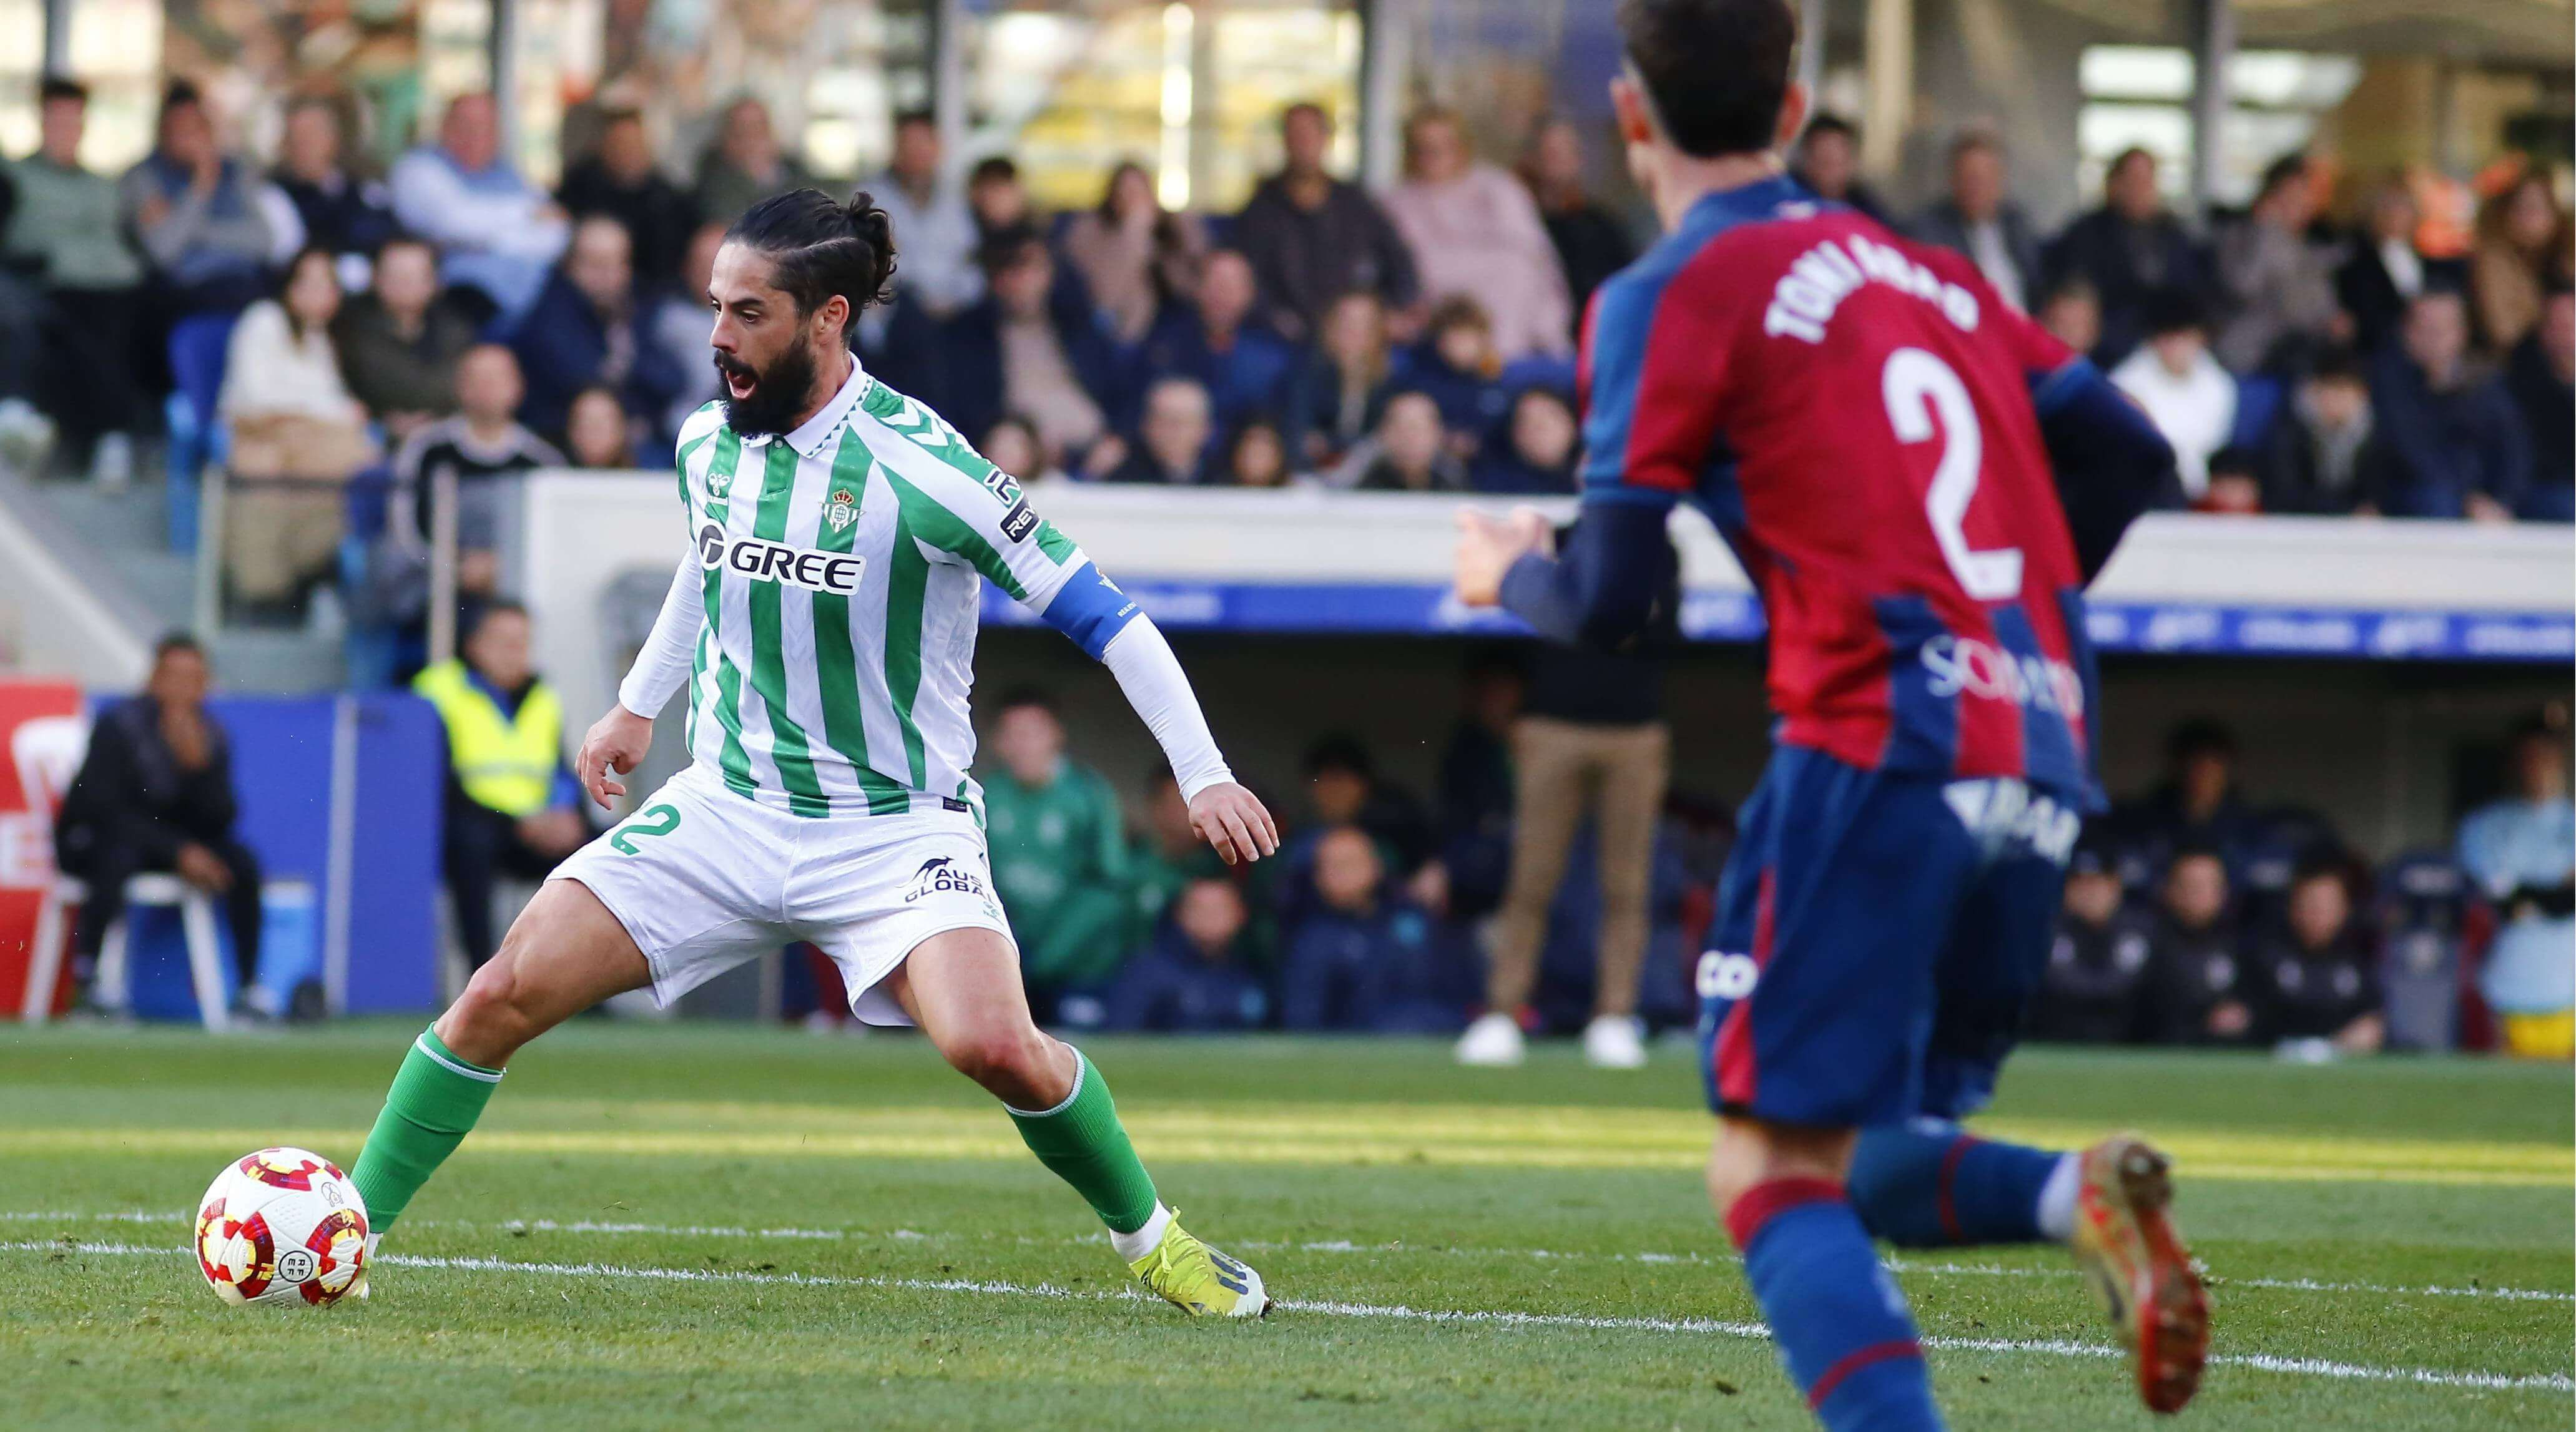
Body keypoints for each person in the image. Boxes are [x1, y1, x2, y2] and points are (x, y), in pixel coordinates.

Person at [1451, 0, 2202, 1421]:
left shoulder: (1672, 287)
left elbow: (1617, 601)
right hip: (2042, 744)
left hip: (1881, 744)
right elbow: (2127, 449)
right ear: (1794, 109)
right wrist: (1998, 617)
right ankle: (2073, 1194)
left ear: (1629, 115)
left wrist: (1509, 576)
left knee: (1765, 1166)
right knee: (1865, 1145)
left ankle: (2054, 1216)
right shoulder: (1935, 277)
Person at [340, 187, 1282, 1315]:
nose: (718, 336)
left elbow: (1108, 617)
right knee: (498, 992)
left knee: (997, 1046)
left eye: (748, 313)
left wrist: (1202, 769)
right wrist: (638, 705)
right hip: (729, 806)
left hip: (895, 829)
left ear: (828, 317)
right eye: (714, 307)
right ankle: (344, 1234)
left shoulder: (925, 469)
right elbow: (709, 559)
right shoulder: (706, 439)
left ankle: (1156, 1243)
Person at [1456, 512, 1676, 1071]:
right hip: (1552, 727)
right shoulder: (1556, 539)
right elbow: (1545, 614)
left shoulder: (1659, 544)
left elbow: (1649, 630)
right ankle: (1503, 1013)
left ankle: (1614, 1016)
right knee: (1531, 877)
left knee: (1626, 884)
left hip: (1635, 731)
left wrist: (1584, 602)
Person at [52, 634, 266, 1016]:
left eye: (194, 677)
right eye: (174, 676)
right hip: (101, 843)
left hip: (170, 846)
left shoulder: (211, 735)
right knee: (116, 855)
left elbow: (223, 819)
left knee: (243, 863)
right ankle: (91, 984)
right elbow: (102, 811)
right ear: (154, 678)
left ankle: (249, 989)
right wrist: (177, 851)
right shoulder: (119, 726)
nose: (184, 687)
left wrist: (199, 769)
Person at [413, 602, 589, 970]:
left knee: (604, 848)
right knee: (470, 844)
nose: (516, 653)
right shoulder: (439, 690)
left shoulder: (542, 696)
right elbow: (439, 783)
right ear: (474, 645)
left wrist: (567, 814)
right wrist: (515, 822)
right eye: (504, 642)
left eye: (523, 642)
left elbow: (561, 771)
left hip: (537, 824)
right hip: (477, 821)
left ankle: (584, 979)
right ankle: (483, 974)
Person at [4, 77, 148, 486]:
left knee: (121, 324)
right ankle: (103, 436)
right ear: (41, 121)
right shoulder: (14, 178)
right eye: (57, 121)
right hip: (48, 284)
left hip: (115, 290)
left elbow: (128, 245)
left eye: (73, 122)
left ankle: (112, 440)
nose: (65, 131)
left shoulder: (104, 187)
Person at [217, 247, 376, 611]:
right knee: (273, 471)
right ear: (289, 286)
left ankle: (302, 577)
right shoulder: (263, 320)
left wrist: (334, 414)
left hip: (310, 443)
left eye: (329, 286)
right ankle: (263, 589)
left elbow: (334, 403)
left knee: (360, 466)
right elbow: (256, 397)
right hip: (260, 434)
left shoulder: (319, 338)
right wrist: (331, 413)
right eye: (309, 283)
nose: (320, 295)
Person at [376, 345, 564, 634]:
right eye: (477, 379)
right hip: (435, 589)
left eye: (496, 379)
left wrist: (501, 568)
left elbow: (552, 540)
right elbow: (404, 534)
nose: (486, 388)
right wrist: (456, 568)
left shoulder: (542, 462)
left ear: (518, 387)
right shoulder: (426, 449)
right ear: (461, 387)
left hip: (518, 590)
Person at [903, 236, 1123, 463]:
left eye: (1032, 268)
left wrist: (1117, 437)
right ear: (995, 277)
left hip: (1096, 449)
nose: (1023, 280)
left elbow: (1119, 389)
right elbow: (968, 412)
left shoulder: (1076, 324)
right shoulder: (970, 336)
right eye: (1013, 270)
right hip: (1020, 452)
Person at [981, 689, 1133, 1016]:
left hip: (1076, 965)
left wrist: (1053, 953)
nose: (1023, 745)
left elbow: (1111, 885)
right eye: (1012, 734)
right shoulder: (984, 795)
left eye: (1033, 733)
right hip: (1007, 958)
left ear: (1056, 735)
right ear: (997, 742)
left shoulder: (1088, 793)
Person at [1382, 107, 1573, 362]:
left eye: (1443, 146)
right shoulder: (1396, 201)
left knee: (1516, 268)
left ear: (1461, 146)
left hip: (1502, 312)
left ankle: (1503, 364)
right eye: (1423, 147)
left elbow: (1533, 253)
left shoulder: (1498, 188)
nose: (1433, 156)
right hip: (1429, 309)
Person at [1234, 102, 1420, 343]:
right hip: (1286, 335)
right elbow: (1247, 277)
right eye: (1296, 134)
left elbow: (1399, 261)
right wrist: (1274, 317)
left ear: (1326, 139)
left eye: (1311, 134)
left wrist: (1393, 310)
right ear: (1285, 141)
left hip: (1353, 331)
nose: (1304, 143)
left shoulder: (1355, 202)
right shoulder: (1262, 207)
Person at [388, 92, 571, 321]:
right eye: (465, 124)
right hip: (456, 298)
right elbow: (455, 222)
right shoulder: (418, 167)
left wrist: (486, 242)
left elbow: (557, 234)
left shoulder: (509, 174)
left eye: (485, 126)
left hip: (531, 298)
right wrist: (528, 216)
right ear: (444, 127)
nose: (475, 134)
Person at [509, 213, 689, 444]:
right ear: (570, 265)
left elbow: (672, 379)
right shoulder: (548, 313)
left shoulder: (637, 306)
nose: (608, 274)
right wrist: (627, 368)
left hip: (636, 441)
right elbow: (578, 378)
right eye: (596, 263)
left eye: (618, 263)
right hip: (559, 442)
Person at [2457, 709, 2575, 1058]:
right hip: (2503, 985)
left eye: (2545, 756)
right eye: (2528, 757)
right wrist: (2552, 892)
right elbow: (2499, 899)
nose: (2536, 767)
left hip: (2568, 987)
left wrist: (2533, 896)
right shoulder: (2483, 826)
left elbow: (2562, 902)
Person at [1279, 826, 1466, 1033]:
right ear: (1318, 878)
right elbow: (1303, 1023)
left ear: (1376, 866)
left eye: (1351, 863)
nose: (1342, 874)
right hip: (1356, 1045)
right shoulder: (1312, 940)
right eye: (1332, 866)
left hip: (1433, 1032)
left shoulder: (1413, 919)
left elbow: (1457, 990)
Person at [120, 81, 280, 316]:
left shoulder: (236, 171)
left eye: (196, 128)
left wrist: (188, 228)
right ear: (163, 133)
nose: (190, 138)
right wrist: (201, 186)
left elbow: (264, 240)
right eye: (180, 130)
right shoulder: (144, 178)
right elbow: (163, 251)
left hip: (247, 284)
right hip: (187, 293)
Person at [2370, 287, 2529, 521]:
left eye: (2441, 329)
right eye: (2424, 329)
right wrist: (2466, 498)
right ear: (2406, 332)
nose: (2433, 339)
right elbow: (2409, 452)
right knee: (2436, 500)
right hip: (2413, 495)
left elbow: (2513, 449)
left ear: (2462, 332)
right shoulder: (2388, 382)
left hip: (2478, 499)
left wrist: (2502, 500)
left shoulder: (2485, 383)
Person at [2043, 147, 2206, 367]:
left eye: (2147, 181)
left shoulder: (2174, 233)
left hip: (2165, 351)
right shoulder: (2087, 233)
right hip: (2106, 353)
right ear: (2114, 184)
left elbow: (2189, 294)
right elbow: (2077, 299)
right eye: (2133, 180)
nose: (2141, 189)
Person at [333, 234, 479, 441]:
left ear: (435, 282)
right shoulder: (346, 328)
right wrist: (384, 417)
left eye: (414, 276)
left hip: (447, 434)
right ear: (375, 278)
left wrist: (433, 420)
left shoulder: (456, 330)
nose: (404, 284)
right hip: (368, 434)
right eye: (396, 275)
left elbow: (464, 387)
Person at [1138, 248, 1299, 433]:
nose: (1221, 294)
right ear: (1197, 289)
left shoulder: (1272, 358)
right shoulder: (1165, 345)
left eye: (1231, 286)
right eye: (1214, 283)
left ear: (1249, 294)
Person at [2212, 154, 2342, 375]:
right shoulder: (2239, 236)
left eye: (2305, 197)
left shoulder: (2311, 244)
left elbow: (2318, 305)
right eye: (2290, 197)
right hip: (2250, 357)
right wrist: (2264, 233)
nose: (2299, 206)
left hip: (2301, 355)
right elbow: (2244, 288)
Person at [1059, 159, 1207, 344]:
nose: (1136, 202)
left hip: (1176, 327)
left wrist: (1172, 234)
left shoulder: (1175, 226)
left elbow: (1192, 285)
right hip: (1119, 332)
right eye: (1127, 194)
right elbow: (1106, 299)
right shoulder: (1088, 232)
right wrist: (1134, 234)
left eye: (1141, 193)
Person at [2249, 856, 2383, 1054]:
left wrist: (2366, 1030)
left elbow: (2371, 1018)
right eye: (2311, 904)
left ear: (2344, 909)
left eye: (2327, 906)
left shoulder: (2357, 961)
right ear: (2293, 907)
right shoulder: (2263, 956)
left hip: (2340, 1059)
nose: (2318, 914)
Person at [2111, 289, 2236, 500]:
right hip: (2148, 491)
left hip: (2203, 496)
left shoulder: (2220, 386)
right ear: (2155, 340)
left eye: (2185, 338)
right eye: (2170, 339)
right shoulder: (2125, 384)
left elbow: (2214, 449)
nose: (2178, 348)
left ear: (2201, 338)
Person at [1520, 116, 1638, 340]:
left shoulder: (1604, 226)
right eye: (1553, 153)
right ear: (1533, 160)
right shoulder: (1525, 227)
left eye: (1569, 152)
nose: (1563, 163)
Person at [1101, 878, 1269, 1033]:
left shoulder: (1254, 969)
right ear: (1180, 914)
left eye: (1219, 910)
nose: (1210, 918)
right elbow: (1120, 1035)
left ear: (1240, 914)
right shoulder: (1147, 971)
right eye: (1200, 910)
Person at [558, 107, 701, 288]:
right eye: (618, 143)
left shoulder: (670, 200)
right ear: (603, 147)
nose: (626, 151)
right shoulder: (579, 188)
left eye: (633, 143)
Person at [2029, 837, 2153, 1044]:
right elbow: (2058, 984)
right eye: (2080, 883)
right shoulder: (2047, 927)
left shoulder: (2141, 927)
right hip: (2054, 1039)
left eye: (2097, 883)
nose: (2089, 893)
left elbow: (2127, 987)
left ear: (2115, 887)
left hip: (2132, 1041)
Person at [866, 110, 980, 317]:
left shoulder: (956, 197)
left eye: (923, 144)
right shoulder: (871, 197)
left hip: (956, 311)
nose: (916, 153)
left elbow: (968, 260)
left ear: (938, 148)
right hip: (898, 311)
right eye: (909, 144)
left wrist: (953, 300)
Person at [1910, 130, 2039, 313]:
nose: (1977, 187)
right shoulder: (1929, 230)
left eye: (1985, 177)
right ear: (1953, 179)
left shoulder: (2016, 224)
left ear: (2000, 179)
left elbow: (2037, 283)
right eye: (1969, 177)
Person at [2138, 846, 2254, 1046]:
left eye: (2206, 885)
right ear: (2169, 890)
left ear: (2223, 892)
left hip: (2223, 1053)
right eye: (2189, 885)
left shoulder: (2243, 945)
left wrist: (2243, 1013)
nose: (2197, 894)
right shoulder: (2146, 943)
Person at [2259, 345, 2390, 516]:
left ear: (2360, 393)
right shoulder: (2289, 432)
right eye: (2328, 389)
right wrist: (2347, 512)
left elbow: (2380, 491)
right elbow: (2286, 493)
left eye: (2342, 390)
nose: (2334, 400)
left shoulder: (2377, 432)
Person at [2336, 179, 2459, 357]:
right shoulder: (2356, 270)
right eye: (2388, 206)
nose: (2396, 214)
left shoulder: (2435, 266)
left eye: (2403, 206)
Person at [270, 96, 394, 264]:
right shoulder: (274, 196)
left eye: (314, 133)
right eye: (297, 135)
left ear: (335, 138)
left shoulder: (363, 189)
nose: (306, 143)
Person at [1287, 288, 1395, 467]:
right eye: (1347, 323)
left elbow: (1386, 440)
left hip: (1372, 475)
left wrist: (1332, 444)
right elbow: (1300, 438)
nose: (1354, 332)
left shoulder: (1389, 381)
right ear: (1330, 327)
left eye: (1364, 325)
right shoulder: (1305, 374)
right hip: (1314, 474)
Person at [2469, 172, 2569, 355]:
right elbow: (2505, 332)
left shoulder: (2565, 257)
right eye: (2521, 206)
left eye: (2538, 207)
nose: (2529, 216)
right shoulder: (2494, 261)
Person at [1400, 295, 1510, 452]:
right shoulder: (1418, 383)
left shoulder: (1495, 383)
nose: (1462, 345)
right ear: (1440, 340)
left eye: (1469, 337)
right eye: (1456, 337)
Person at [2505, 283, 2574, 520]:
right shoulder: (2518, 382)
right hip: (2540, 489)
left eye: (2569, 326)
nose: (2564, 336)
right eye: (2555, 326)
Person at [691, 96, 812, 229]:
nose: (752, 139)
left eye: (759, 128)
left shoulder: (796, 170)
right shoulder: (714, 178)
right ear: (726, 138)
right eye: (742, 131)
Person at [1100, 377, 1214, 485]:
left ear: (1206, 429)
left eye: (1184, 421)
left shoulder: (1220, 478)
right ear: (1146, 425)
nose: (1174, 431)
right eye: (1164, 420)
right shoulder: (1120, 477)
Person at [1345, 389, 1463, 492]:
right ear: (1384, 433)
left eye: (1418, 428)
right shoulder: (1360, 479)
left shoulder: (1451, 480)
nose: (1409, 438)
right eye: (1400, 428)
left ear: (1438, 434)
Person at [1787, 112, 1885, 223]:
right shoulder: (1786, 202)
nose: (1830, 173)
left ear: (1852, 162)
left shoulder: (1867, 210)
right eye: (1823, 162)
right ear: (1806, 158)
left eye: (1838, 162)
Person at [966, 155, 1038, 250]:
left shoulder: (1045, 237)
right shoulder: (965, 237)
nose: (993, 197)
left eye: (998, 188)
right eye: (988, 188)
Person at [978, 413, 1068, 486]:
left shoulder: (1056, 489)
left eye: (1013, 445)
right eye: (998, 442)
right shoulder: (977, 489)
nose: (1003, 451)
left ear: (1033, 451)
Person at [564, 385, 634, 469]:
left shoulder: (645, 474)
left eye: (601, 424)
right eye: (586, 423)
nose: (594, 433)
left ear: (622, 429)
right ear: (571, 431)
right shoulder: (554, 472)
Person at [1219, 416, 1292, 488]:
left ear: (1279, 457)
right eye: (1252, 453)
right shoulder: (1219, 490)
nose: (1256, 460)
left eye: (1262, 454)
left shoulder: (1295, 491)